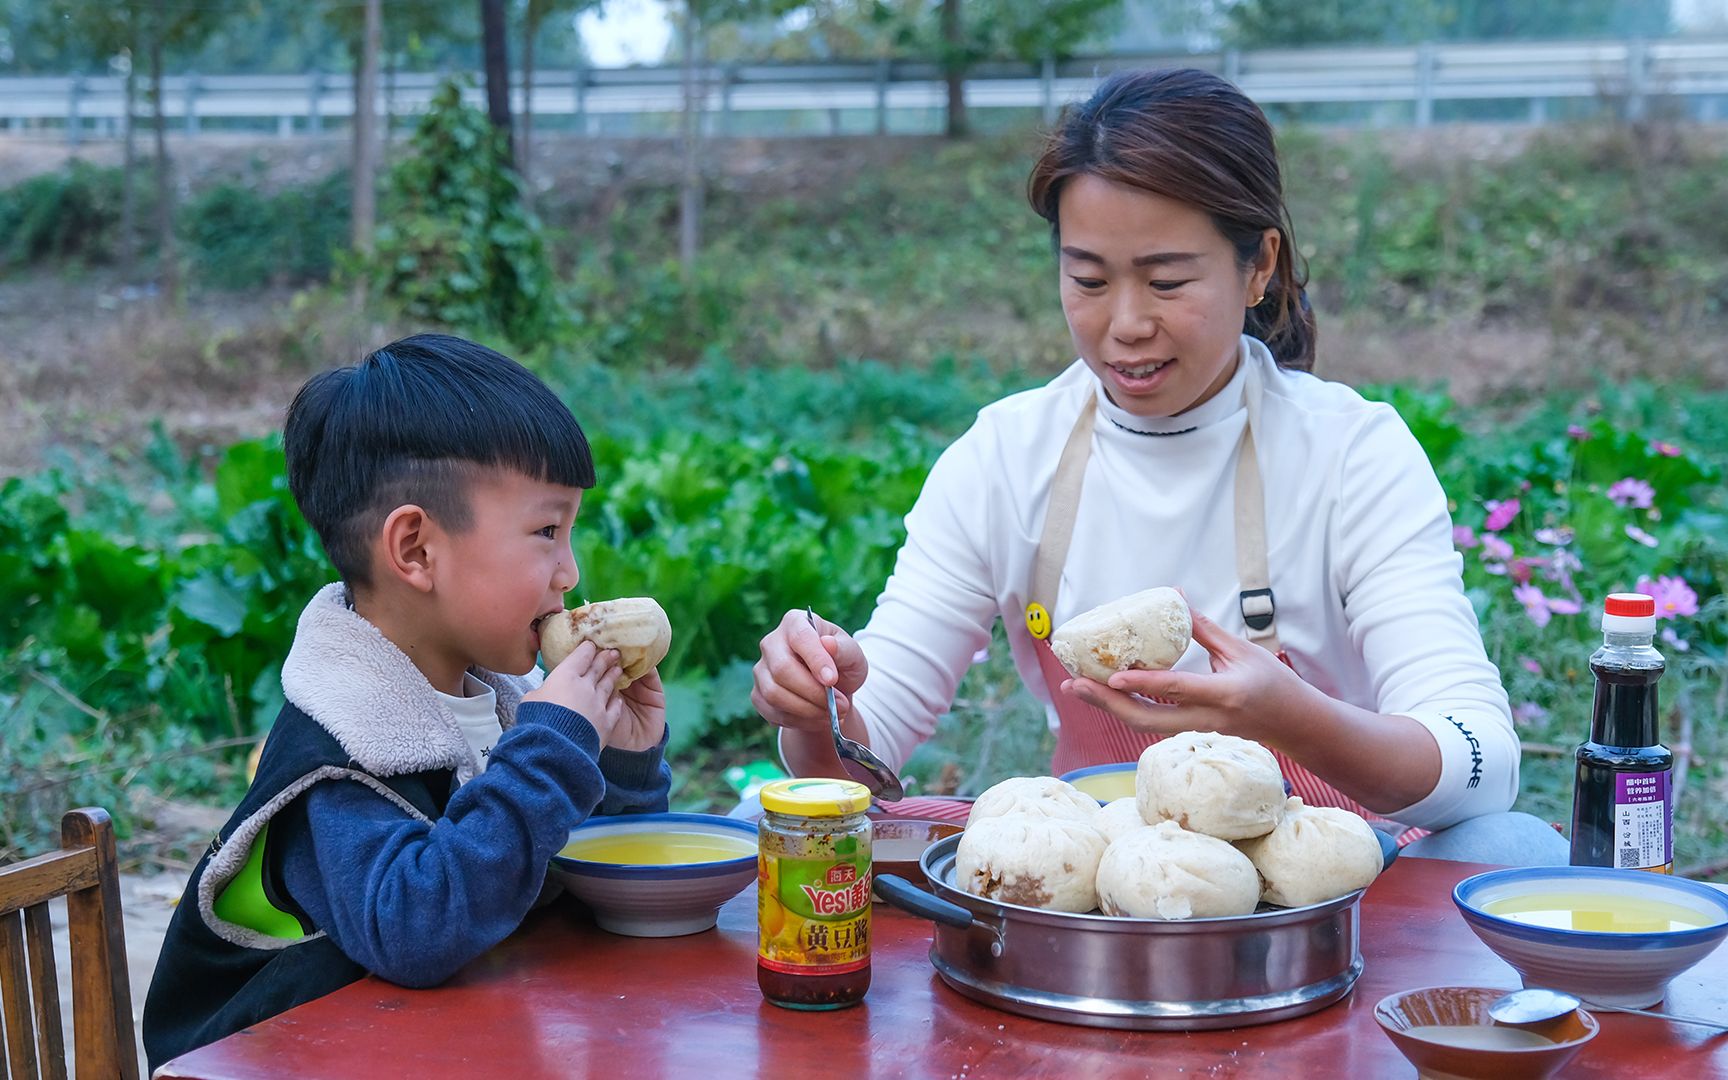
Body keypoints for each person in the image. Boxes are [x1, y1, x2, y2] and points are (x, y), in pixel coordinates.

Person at [750, 68, 1565, 866]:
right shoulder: (1005, 457)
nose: (1126, 324)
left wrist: (1292, 720)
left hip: (1329, 877)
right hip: (1100, 871)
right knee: (764, 815)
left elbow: (1481, 759)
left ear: (1260, 266)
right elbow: (854, 758)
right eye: (1089, 280)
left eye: (1167, 281)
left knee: (1517, 848)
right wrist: (818, 705)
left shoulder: (1352, 453)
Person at [142, 334, 672, 1070]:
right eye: (547, 532)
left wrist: (624, 756)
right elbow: (420, 928)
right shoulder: (338, 755)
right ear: (417, 550)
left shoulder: (502, 702)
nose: (570, 573)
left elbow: (575, 877)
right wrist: (553, 747)